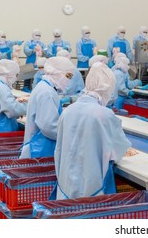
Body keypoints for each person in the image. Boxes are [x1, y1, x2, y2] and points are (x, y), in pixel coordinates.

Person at [54, 62, 137, 200]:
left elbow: (59, 149)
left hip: (65, 187)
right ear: (106, 88)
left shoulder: (67, 111)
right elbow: (118, 151)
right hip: (93, 190)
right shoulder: (104, 114)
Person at [20, 57, 75, 159]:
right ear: (57, 73)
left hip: (40, 146)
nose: (68, 80)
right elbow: (49, 126)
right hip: (39, 149)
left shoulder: (45, 87)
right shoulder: (47, 92)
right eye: (68, 76)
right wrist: (70, 136)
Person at [0, 59, 27, 132]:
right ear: (10, 75)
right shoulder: (1, 88)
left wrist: (16, 101)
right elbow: (13, 110)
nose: (16, 78)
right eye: (16, 75)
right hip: (2, 129)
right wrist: (30, 105)